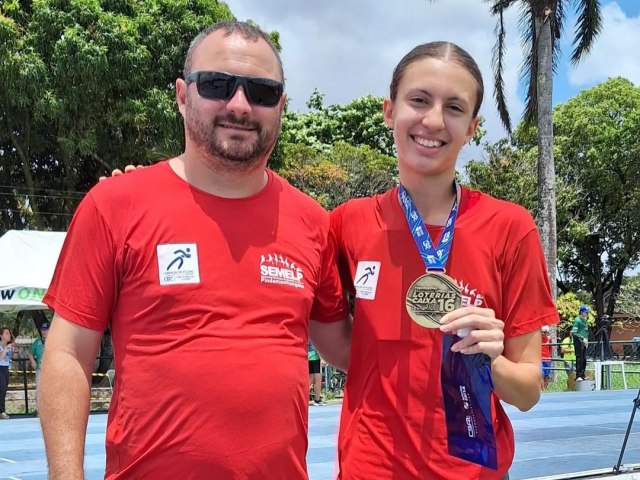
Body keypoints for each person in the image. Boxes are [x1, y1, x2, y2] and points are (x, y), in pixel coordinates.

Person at [39, 21, 350, 479]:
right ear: (183, 97)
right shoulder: (114, 205)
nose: (240, 105)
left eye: (262, 92)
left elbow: (344, 349)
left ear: (281, 106)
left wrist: (442, 319)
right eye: (219, 85)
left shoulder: (312, 221)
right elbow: (68, 353)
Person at [330, 42, 558, 479]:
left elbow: (527, 392)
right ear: (389, 111)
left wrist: (490, 361)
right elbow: (328, 330)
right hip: (370, 469)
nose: (433, 120)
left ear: (472, 127)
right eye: (418, 100)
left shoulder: (511, 228)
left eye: (453, 107)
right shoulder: (347, 224)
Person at [28, 322, 50, 415]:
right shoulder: (37, 341)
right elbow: (30, 353)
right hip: (40, 369)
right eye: (42, 330)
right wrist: (32, 361)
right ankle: (39, 410)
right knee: (39, 389)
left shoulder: (55, 341)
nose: (44, 332)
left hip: (51, 370)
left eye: (46, 330)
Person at [0, 326, 16, 419]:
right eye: (6, 333)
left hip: (6, 368)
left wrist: (15, 352)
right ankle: (2, 411)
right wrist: (6, 348)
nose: (9, 335)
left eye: (9, 333)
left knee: (4, 390)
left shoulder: (10, 345)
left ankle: (1, 410)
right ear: (1, 335)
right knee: (1, 389)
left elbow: (13, 358)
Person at [571, 305, 590, 382]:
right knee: (579, 358)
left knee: (584, 359)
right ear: (581, 312)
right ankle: (578, 375)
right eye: (586, 312)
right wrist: (582, 338)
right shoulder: (577, 320)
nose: (587, 314)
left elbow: (585, 331)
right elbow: (573, 333)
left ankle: (582, 374)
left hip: (584, 342)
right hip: (579, 342)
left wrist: (586, 340)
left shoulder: (585, 320)